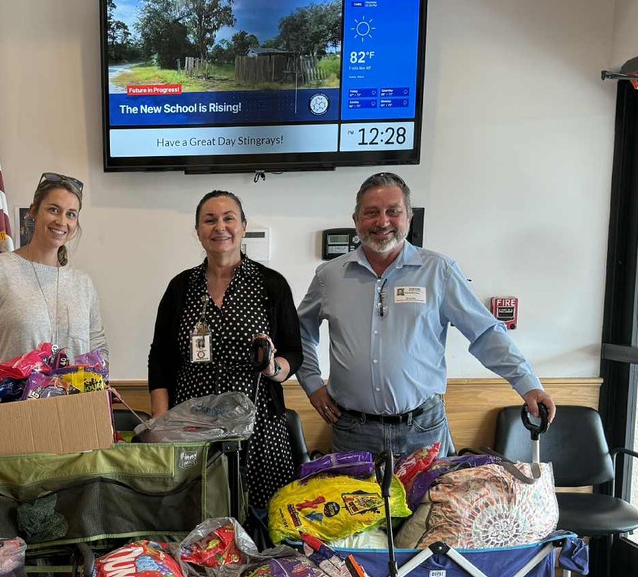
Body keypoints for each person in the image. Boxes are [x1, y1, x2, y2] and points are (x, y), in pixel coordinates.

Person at [297, 172, 555, 456]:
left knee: (430, 490)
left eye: (393, 211)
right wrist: (312, 385)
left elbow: (485, 333)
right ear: (356, 219)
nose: (382, 221)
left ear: (408, 217)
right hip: (352, 431)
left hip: (422, 430)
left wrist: (528, 385)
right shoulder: (329, 276)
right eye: (371, 212)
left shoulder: (439, 272)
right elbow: (299, 333)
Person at [149, 190, 303, 507]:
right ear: (198, 231)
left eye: (228, 218)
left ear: (243, 226)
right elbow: (160, 358)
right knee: (197, 512)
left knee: (262, 517)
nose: (220, 227)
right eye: (210, 220)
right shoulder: (181, 287)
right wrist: (162, 424)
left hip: (258, 425)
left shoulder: (270, 284)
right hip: (192, 425)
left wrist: (274, 368)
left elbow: (294, 351)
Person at [0, 172, 106, 402]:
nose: (62, 221)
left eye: (71, 214)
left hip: (74, 413)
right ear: (33, 211)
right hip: (10, 412)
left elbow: (98, 349)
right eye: (53, 209)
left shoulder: (83, 284)